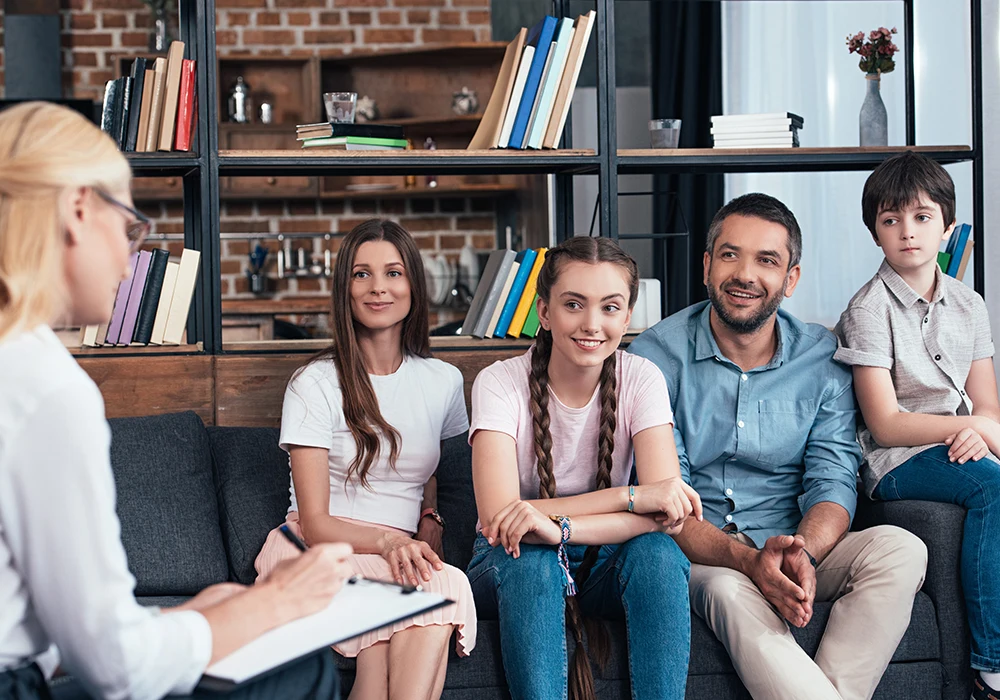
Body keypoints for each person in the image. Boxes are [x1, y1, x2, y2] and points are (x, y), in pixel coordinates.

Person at [0, 102, 353, 700]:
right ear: (78, 209)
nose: (129, 257)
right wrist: (274, 601)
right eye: (130, 226)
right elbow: (116, 668)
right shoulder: (46, 387)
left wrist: (198, 619)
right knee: (300, 667)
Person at [629, 193, 928, 700]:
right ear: (706, 265)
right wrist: (746, 559)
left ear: (790, 278)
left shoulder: (822, 357)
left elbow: (832, 479)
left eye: (766, 260)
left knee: (901, 548)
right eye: (729, 254)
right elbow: (666, 500)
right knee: (728, 588)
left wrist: (802, 552)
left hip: (793, 545)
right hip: (703, 554)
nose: (744, 274)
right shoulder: (654, 357)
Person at [467, 236, 698, 700]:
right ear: (545, 312)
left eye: (610, 308)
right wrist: (627, 497)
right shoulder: (499, 383)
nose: (592, 324)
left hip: (601, 562)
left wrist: (559, 527)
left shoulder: (642, 378)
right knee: (531, 561)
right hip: (507, 563)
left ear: (627, 316)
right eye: (574, 304)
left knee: (659, 556)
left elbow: (666, 517)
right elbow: (502, 520)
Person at [255, 219, 477, 700]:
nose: (379, 287)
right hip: (315, 553)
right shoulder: (313, 383)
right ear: (345, 288)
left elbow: (427, 463)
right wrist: (390, 539)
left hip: (395, 560)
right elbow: (314, 522)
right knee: (446, 586)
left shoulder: (442, 381)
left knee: (379, 669)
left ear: (414, 285)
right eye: (362, 274)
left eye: (393, 273)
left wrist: (428, 513)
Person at [834, 152, 1000, 699]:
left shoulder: (970, 305)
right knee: (993, 488)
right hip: (897, 462)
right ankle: (991, 663)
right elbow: (884, 424)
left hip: (959, 443)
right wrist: (966, 428)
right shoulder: (867, 308)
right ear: (875, 232)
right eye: (891, 220)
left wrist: (977, 427)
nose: (907, 232)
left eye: (922, 217)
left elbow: (988, 408)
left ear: (948, 227)